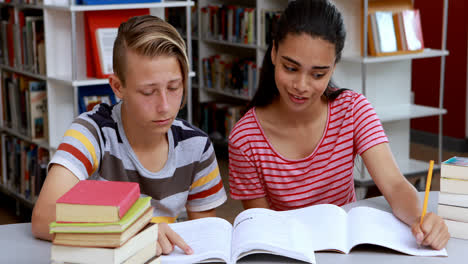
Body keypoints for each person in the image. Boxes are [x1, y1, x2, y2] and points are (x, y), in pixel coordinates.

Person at [228, 0, 449, 250]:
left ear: (334, 66)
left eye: (318, 74)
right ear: (274, 52)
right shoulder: (245, 138)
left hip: (346, 250)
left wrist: (422, 220)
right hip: (288, 251)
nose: (301, 85)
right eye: (291, 68)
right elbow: (261, 225)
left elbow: (395, 185)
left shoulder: (353, 110)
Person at [31, 15, 227, 256]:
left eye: (174, 87)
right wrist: (141, 230)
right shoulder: (92, 133)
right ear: (117, 87)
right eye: (148, 92)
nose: (165, 106)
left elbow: (206, 238)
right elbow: (43, 217)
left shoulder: (196, 145)